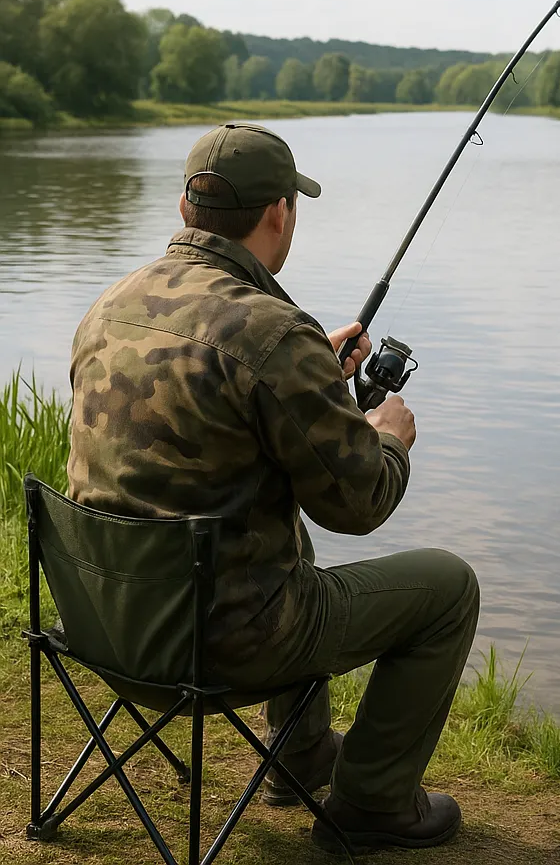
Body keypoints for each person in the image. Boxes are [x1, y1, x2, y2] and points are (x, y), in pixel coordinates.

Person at [66, 122, 479, 854]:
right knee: (449, 588)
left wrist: (317, 376)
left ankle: (302, 756)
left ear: (187, 207)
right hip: (220, 646)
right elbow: (359, 503)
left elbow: (212, 406)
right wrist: (388, 436)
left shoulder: (110, 304)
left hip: (103, 627)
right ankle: (373, 802)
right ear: (280, 213)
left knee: (285, 530)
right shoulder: (272, 333)